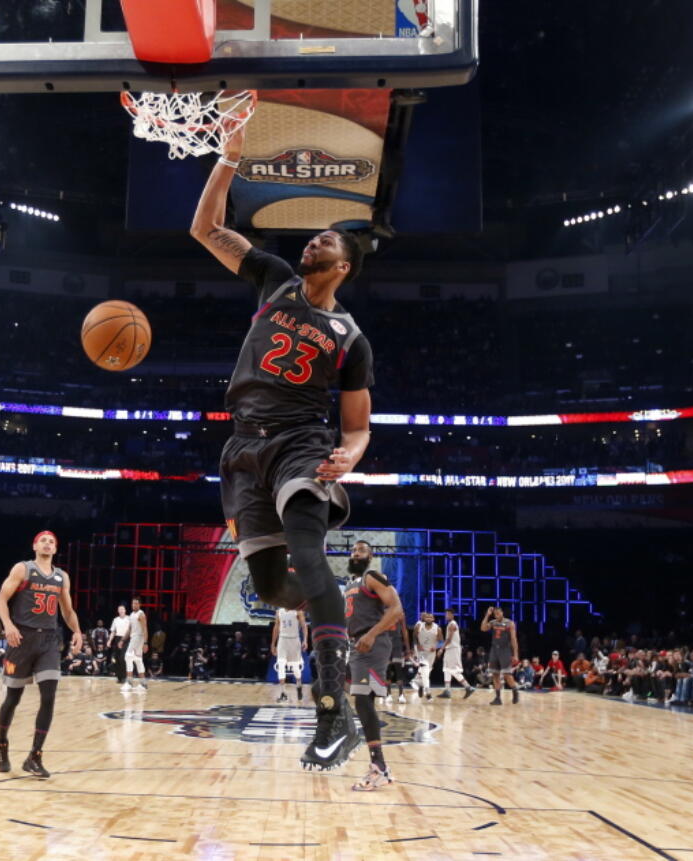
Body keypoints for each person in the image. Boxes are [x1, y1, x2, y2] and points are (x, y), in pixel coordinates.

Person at [192, 125, 372, 771]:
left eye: (326, 239)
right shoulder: (273, 278)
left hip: (302, 445)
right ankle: (328, 596)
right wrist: (228, 158)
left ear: (343, 264)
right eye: (312, 237)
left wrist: (351, 453)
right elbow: (206, 229)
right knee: (272, 586)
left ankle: (335, 709)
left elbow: (357, 424)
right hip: (243, 448)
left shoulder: (351, 337)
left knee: (306, 549)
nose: (313, 240)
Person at [0, 530, 85, 779]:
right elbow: (1, 599)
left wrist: (77, 631)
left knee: (49, 695)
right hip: (21, 638)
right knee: (13, 698)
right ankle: (2, 743)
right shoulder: (22, 569)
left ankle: (35, 755)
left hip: (48, 640)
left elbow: (67, 611)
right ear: (35, 545)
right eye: (43, 540)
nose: (47, 544)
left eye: (52, 541)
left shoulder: (61, 577)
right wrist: (8, 625)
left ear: (56, 549)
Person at [343, 554, 404, 790]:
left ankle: (379, 766)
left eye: (362, 550)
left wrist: (372, 634)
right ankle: (380, 766)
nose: (356, 553)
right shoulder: (350, 584)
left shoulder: (372, 577)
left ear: (369, 558)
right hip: (357, 644)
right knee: (360, 702)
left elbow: (397, 609)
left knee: (363, 700)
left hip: (371, 641)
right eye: (354, 550)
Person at [480, 606, 520, 705]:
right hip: (494, 650)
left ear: (502, 613)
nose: (496, 615)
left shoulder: (509, 623)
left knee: (507, 674)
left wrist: (515, 654)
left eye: (498, 613)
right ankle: (498, 698)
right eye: (495, 614)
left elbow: (514, 639)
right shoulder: (493, 622)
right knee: (495, 674)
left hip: (505, 650)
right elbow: (483, 628)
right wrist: (487, 615)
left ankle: (515, 690)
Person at [271, 605, 308, 703]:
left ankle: (299, 685)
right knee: (281, 664)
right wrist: (273, 644)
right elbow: (276, 627)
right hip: (283, 640)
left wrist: (305, 640)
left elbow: (304, 626)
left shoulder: (298, 611)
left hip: (294, 640)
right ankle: (283, 694)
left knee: (296, 668)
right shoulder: (279, 611)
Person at [439, 608, 476, 699]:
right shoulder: (450, 624)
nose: (446, 616)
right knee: (446, 669)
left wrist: (441, 649)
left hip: (453, 649)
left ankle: (468, 687)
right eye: (446, 614)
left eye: (448, 614)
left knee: (454, 670)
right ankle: (447, 690)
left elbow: (449, 639)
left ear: (452, 615)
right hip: (450, 649)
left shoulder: (452, 624)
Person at [412, 613, 441, 700]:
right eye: (427, 617)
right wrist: (417, 646)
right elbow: (414, 637)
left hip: (431, 654)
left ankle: (419, 683)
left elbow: (441, 642)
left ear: (433, 619)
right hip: (422, 653)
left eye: (430, 617)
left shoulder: (437, 628)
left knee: (426, 673)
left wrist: (436, 647)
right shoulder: (419, 626)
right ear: (424, 618)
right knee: (424, 670)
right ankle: (428, 693)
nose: (428, 618)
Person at [124, 597, 149, 692]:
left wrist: (145, 642)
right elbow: (130, 629)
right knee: (138, 660)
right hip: (133, 637)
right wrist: (122, 640)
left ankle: (129, 683)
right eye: (132, 603)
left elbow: (145, 629)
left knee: (128, 656)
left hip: (138, 637)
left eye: (135, 603)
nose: (133, 605)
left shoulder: (141, 614)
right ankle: (143, 684)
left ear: (139, 604)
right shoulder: (131, 614)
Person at [107, 605, 130, 687]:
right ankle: (119, 677)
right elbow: (113, 631)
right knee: (117, 659)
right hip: (117, 638)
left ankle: (125, 677)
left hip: (126, 639)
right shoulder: (115, 620)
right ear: (118, 611)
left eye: (123, 609)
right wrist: (109, 641)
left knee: (123, 658)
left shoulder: (129, 619)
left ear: (125, 610)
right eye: (120, 609)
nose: (121, 610)